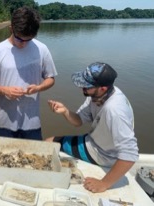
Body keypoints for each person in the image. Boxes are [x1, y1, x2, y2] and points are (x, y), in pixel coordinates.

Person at [46, 62, 139, 193]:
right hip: (93, 141)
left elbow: (130, 154)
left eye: (86, 86)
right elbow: (78, 121)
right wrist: (65, 111)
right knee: (50, 142)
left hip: (103, 154)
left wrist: (104, 183)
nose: (82, 88)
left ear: (103, 88)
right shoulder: (97, 95)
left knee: (49, 144)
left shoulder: (114, 110)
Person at [0, 6, 57, 140]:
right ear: (11, 29)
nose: (23, 44)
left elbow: (50, 78)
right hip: (4, 123)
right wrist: (4, 90)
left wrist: (38, 87)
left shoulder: (42, 49)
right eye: (19, 39)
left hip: (32, 123)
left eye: (28, 40)